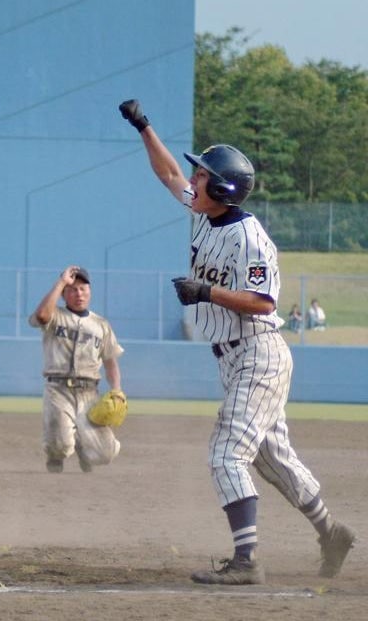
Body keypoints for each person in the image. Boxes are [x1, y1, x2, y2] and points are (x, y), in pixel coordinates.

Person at [120, 99, 356, 585]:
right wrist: (144, 125)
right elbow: (167, 173)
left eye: (203, 175)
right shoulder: (203, 212)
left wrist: (206, 292)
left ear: (223, 188)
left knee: (227, 454)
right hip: (234, 358)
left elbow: (264, 302)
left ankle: (246, 561)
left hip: (258, 353)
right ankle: (332, 532)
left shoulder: (251, 238)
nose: (194, 179)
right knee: (272, 459)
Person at [30, 266, 124, 474]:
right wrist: (61, 282)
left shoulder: (101, 324)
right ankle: (56, 456)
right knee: (61, 445)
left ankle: (84, 447)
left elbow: (110, 362)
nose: (78, 293)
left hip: (89, 392)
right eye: (72, 289)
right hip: (58, 390)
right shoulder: (55, 315)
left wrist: (117, 390)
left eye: (82, 289)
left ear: (89, 291)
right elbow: (42, 316)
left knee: (104, 454)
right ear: (64, 295)